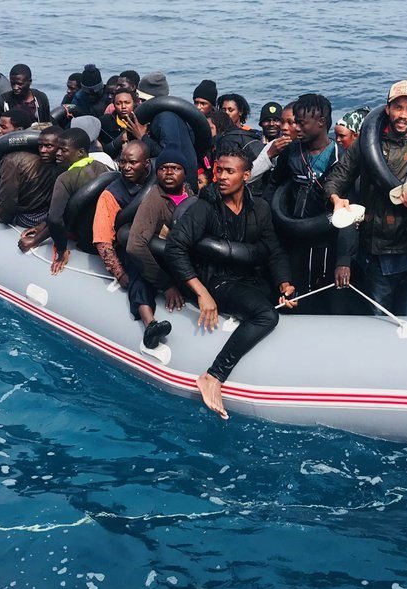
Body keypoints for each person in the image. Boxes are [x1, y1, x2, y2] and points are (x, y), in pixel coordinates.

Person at [165, 148, 297, 419]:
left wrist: (284, 285)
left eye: (230, 172)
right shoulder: (204, 208)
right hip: (215, 281)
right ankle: (213, 376)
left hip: (247, 279)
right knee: (266, 315)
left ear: (246, 176)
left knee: (286, 302)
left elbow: (274, 250)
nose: (222, 177)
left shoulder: (259, 208)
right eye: (219, 171)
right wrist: (201, 293)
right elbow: (174, 247)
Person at [324, 81, 407, 317]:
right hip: (371, 246)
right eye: (398, 107)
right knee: (377, 313)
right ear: (388, 108)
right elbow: (338, 176)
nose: (403, 115)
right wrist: (335, 198)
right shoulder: (367, 141)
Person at [271, 93, 355, 315]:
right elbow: (275, 184)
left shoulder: (340, 157)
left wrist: (344, 260)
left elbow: (348, 209)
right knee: (295, 293)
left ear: (321, 122)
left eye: (301, 123)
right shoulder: (291, 152)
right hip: (294, 237)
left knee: (325, 295)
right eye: (295, 122)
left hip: (326, 239)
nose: (296, 128)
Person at [88, 141, 173, 348]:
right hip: (129, 245)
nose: (126, 167)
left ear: (146, 164)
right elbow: (102, 240)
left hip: (160, 241)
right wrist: (120, 274)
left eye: (132, 163)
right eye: (122, 162)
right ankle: (149, 323)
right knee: (139, 271)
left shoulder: (161, 181)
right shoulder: (111, 195)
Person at [126, 149, 190, 321]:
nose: (169, 172)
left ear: (185, 173)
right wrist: (166, 284)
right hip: (158, 260)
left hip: (183, 258)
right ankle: (150, 323)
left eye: (175, 168)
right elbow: (135, 246)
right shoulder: (154, 198)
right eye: (163, 168)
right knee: (139, 279)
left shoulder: (190, 194)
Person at [42, 127, 113, 270]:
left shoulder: (65, 179)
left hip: (86, 242)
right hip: (108, 236)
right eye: (58, 149)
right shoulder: (103, 167)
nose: (58, 153)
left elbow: (55, 219)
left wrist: (61, 250)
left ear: (80, 152)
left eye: (64, 150)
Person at [0, 125, 61, 246]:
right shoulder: (62, 159)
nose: (43, 150)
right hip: (50, 215)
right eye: (40, 146)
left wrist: (2, 217)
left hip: (30, 218)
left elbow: (8, 197)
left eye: (48, 146)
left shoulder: (12, 160)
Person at [99, 88, 145, 159]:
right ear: (114, 105)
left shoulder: (141, 121)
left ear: (134, 103)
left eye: (127, 103)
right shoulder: (105, 121)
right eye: (118, 103)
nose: (123, 107)